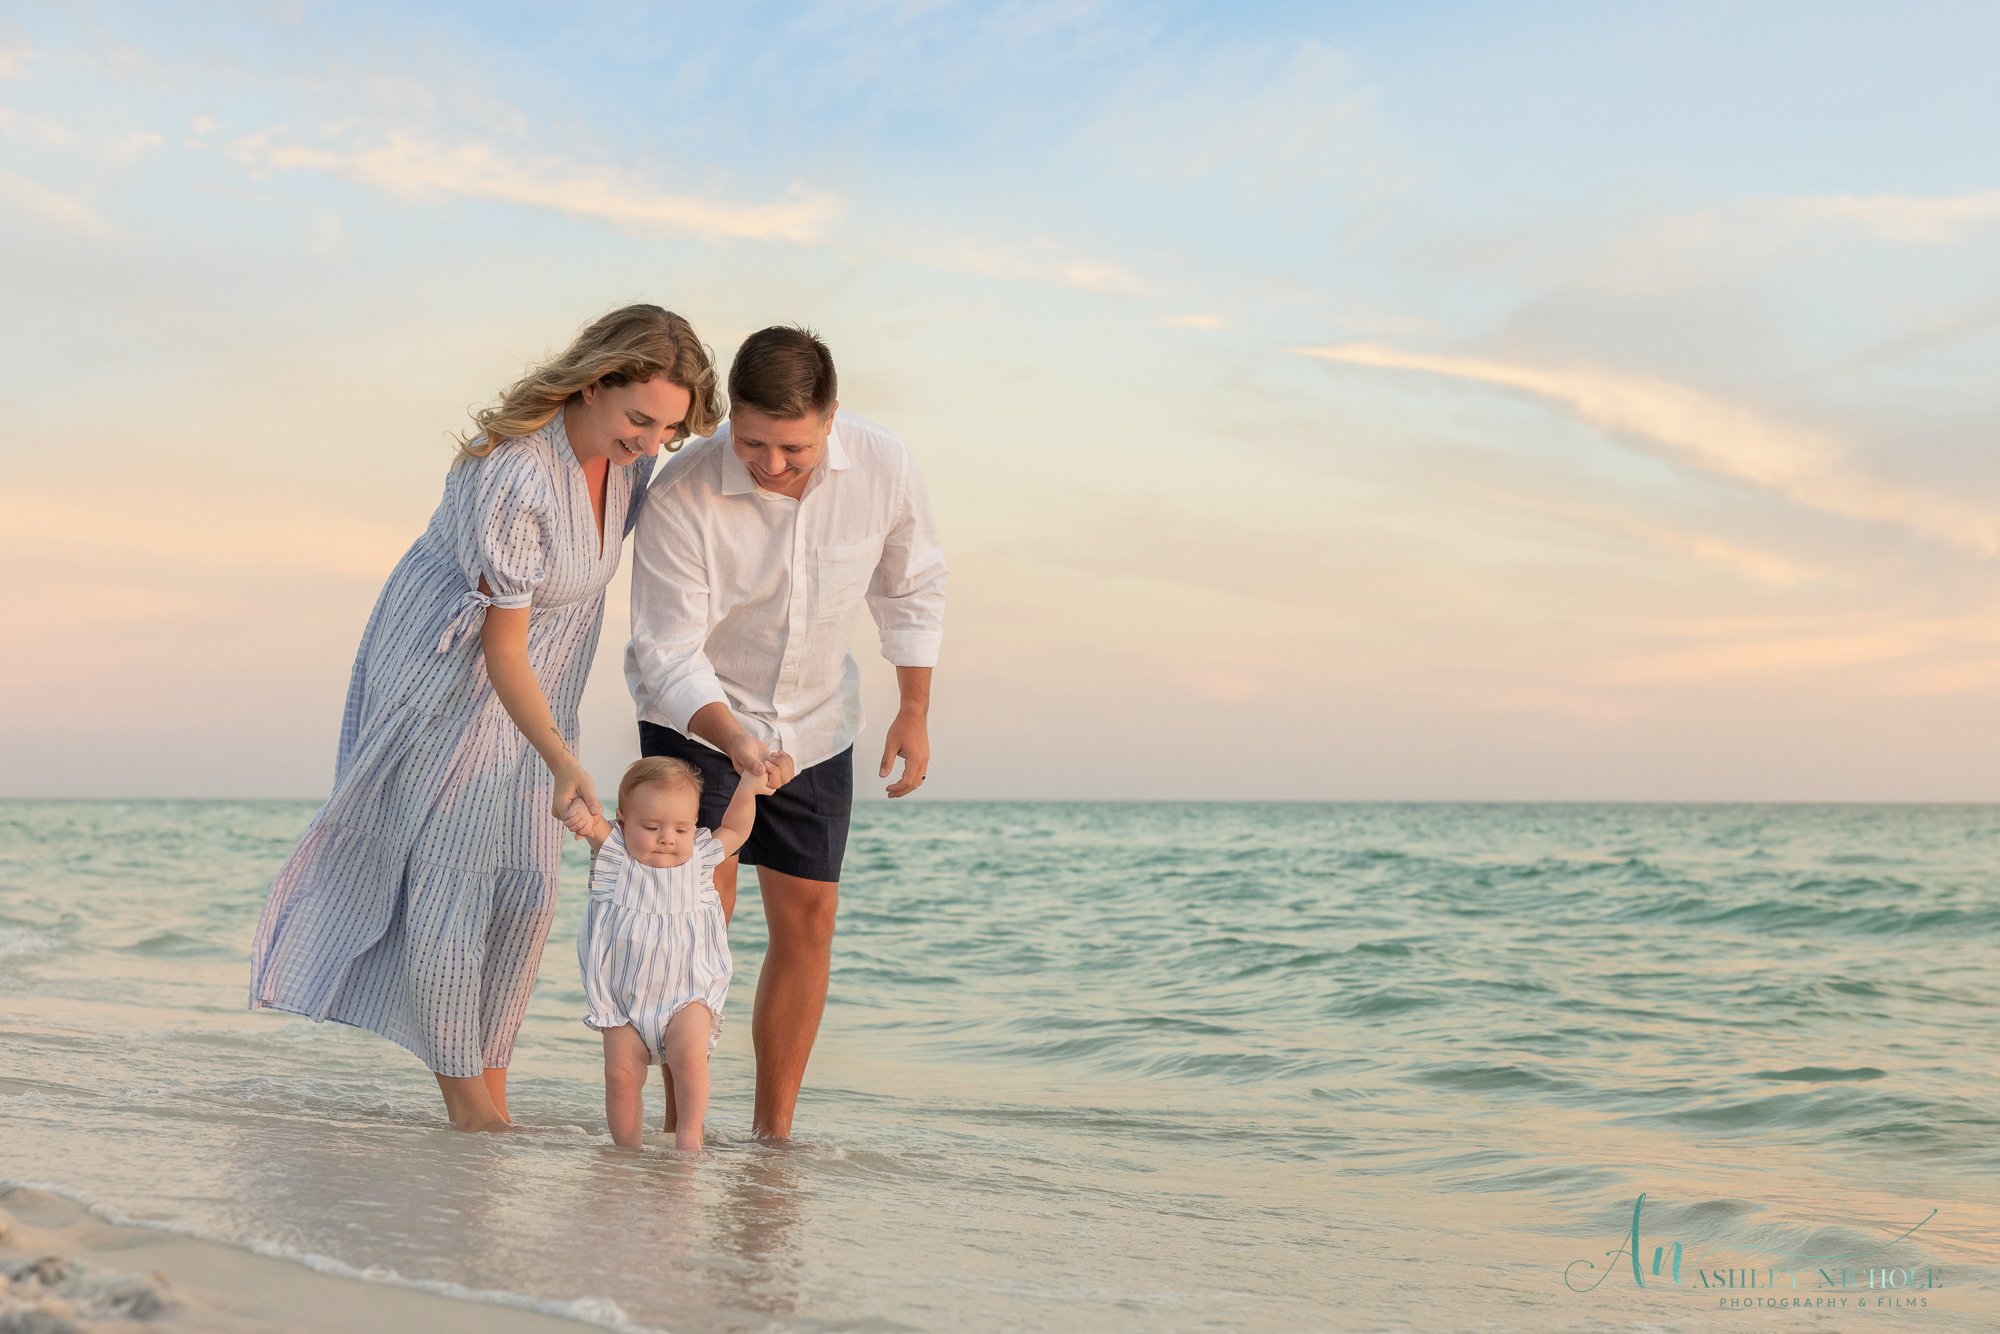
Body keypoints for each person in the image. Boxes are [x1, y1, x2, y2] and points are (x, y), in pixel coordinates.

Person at [247, 304, 723, 1132]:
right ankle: (477, 1119)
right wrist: (563, 760)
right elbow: (501, 649)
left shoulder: (630, 464)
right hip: (449, 676)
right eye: (639, 419)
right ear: (592, 383)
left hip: (540, 695)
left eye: (668, 430)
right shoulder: (516, 476)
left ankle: (487, 1107)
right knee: (454, 890)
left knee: (530, 894)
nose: (650, 443)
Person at [625, 324, 948, 1140]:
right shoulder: (683, 487)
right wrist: (733, 740)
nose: (770, 464)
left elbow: (911, 586)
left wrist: (913, 708)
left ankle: (774, 1139)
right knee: (695, 920)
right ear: (732, 416)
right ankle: (681, 1134)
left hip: (815, 721)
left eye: (793, 449)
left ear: (832, 419)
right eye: (754, 442)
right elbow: (666, 650)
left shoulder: (883, 465)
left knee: (807, 921)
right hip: (697, 714)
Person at [570, 755, 774, 1151]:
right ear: (622, 821)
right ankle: (625, 1152)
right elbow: (586, 820)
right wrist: (578, 813)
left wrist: (748, 787)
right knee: (620, 1076)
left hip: (687, 996)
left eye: (682, 828)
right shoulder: (614, 855)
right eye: (651, 827)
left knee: (691, 1061)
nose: (667, 838)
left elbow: (734, 828)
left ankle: (689, 1139)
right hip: (623, 1004)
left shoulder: (698, 858)